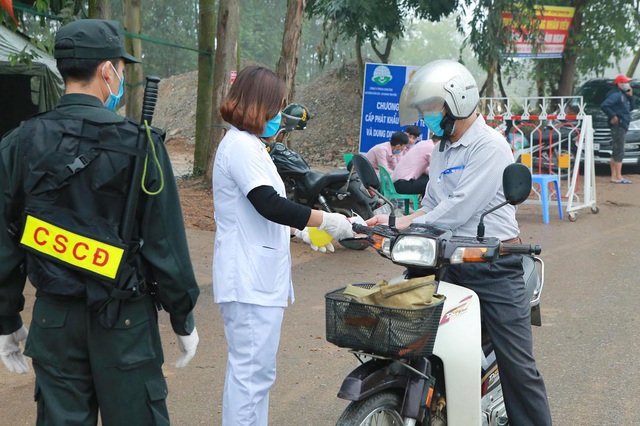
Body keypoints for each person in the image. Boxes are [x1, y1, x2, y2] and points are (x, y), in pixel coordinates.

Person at [0, 19, 200, 425]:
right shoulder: (140, 144)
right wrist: (182, 317)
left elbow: (4, 244)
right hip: (125, 322)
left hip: (54, 319)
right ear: (107, 71)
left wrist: (6, 319)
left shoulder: (19, 142)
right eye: (121, 70)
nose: (121, 77)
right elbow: (165, 244)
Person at [368, 59, 552, 426]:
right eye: (424, 111)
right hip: (448, 260)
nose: (428, 117)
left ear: (460, 101)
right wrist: (391, 222)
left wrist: (400, 225)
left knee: (518, 365)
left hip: (494, 265)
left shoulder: (489, 145)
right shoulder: (442, 149)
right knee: (414, 337)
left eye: (432, 109)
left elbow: (459, 208)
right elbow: (433, 206)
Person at [212, 65, 354, 425]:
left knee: (255, 377)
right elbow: (269, 203)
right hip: (248, 280)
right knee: (250, 379)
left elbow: (257, 213)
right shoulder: (241, 147)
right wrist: (327, 220)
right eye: (276, 108)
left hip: (255, 276)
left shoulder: (252, 147)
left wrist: (302, 232)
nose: (279, 116)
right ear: (258, 105)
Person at [601, 74, 637, 184]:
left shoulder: (623, 95)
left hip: (622, 125)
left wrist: (631, 96)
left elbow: (630, 108)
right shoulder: (616, 95)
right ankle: (618, 176)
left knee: (616, 150)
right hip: (619, 126)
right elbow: (604, 105)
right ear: (619, 84)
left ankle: (614, 176)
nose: (628, 84)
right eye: (625, 82)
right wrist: (613, 116)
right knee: (619, 151)